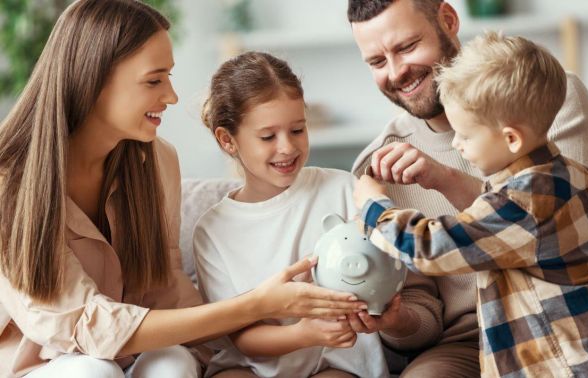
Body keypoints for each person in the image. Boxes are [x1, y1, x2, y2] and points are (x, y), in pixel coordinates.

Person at [0, 2, 365, 377]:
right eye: (154, 80)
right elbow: (85, 326)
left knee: (173, 363)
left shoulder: (156, 162)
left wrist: (260, 330)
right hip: (45, 362)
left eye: (169, 77)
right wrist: (257, 305)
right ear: (95, 79)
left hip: (130, 352)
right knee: (93, 371)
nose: (173, 96)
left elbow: (166, 289)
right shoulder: (10, 181)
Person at [353, 31, 588, 377]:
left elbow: (429, 246)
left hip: (567, 364)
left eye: (466, 135)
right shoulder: (577, 178)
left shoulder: (524, 203)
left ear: (511, 138)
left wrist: (374, 207)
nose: (456, 143)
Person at [193, 51, 389, 378]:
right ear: (228, 140)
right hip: (253, 365)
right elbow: (243, 337)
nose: (287, 147)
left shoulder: (341, 189)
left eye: (297, 130)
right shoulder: (213, 231)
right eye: (268, 137)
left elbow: (388, 247)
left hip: (336, 362)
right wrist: (303, 334)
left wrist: (377, 211)